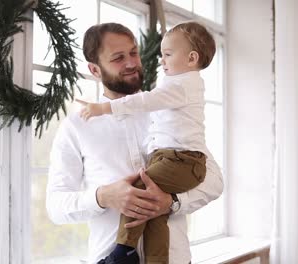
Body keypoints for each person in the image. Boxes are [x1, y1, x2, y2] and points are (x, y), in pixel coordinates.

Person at [46, 22, 223, 264]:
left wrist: (171, 203)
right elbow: (56, 207)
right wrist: (102, 197)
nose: (131, 63)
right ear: (95, 70)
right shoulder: (76, 127)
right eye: (118, 57)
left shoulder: (171, 108)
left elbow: (214, 181)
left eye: (133, 53)